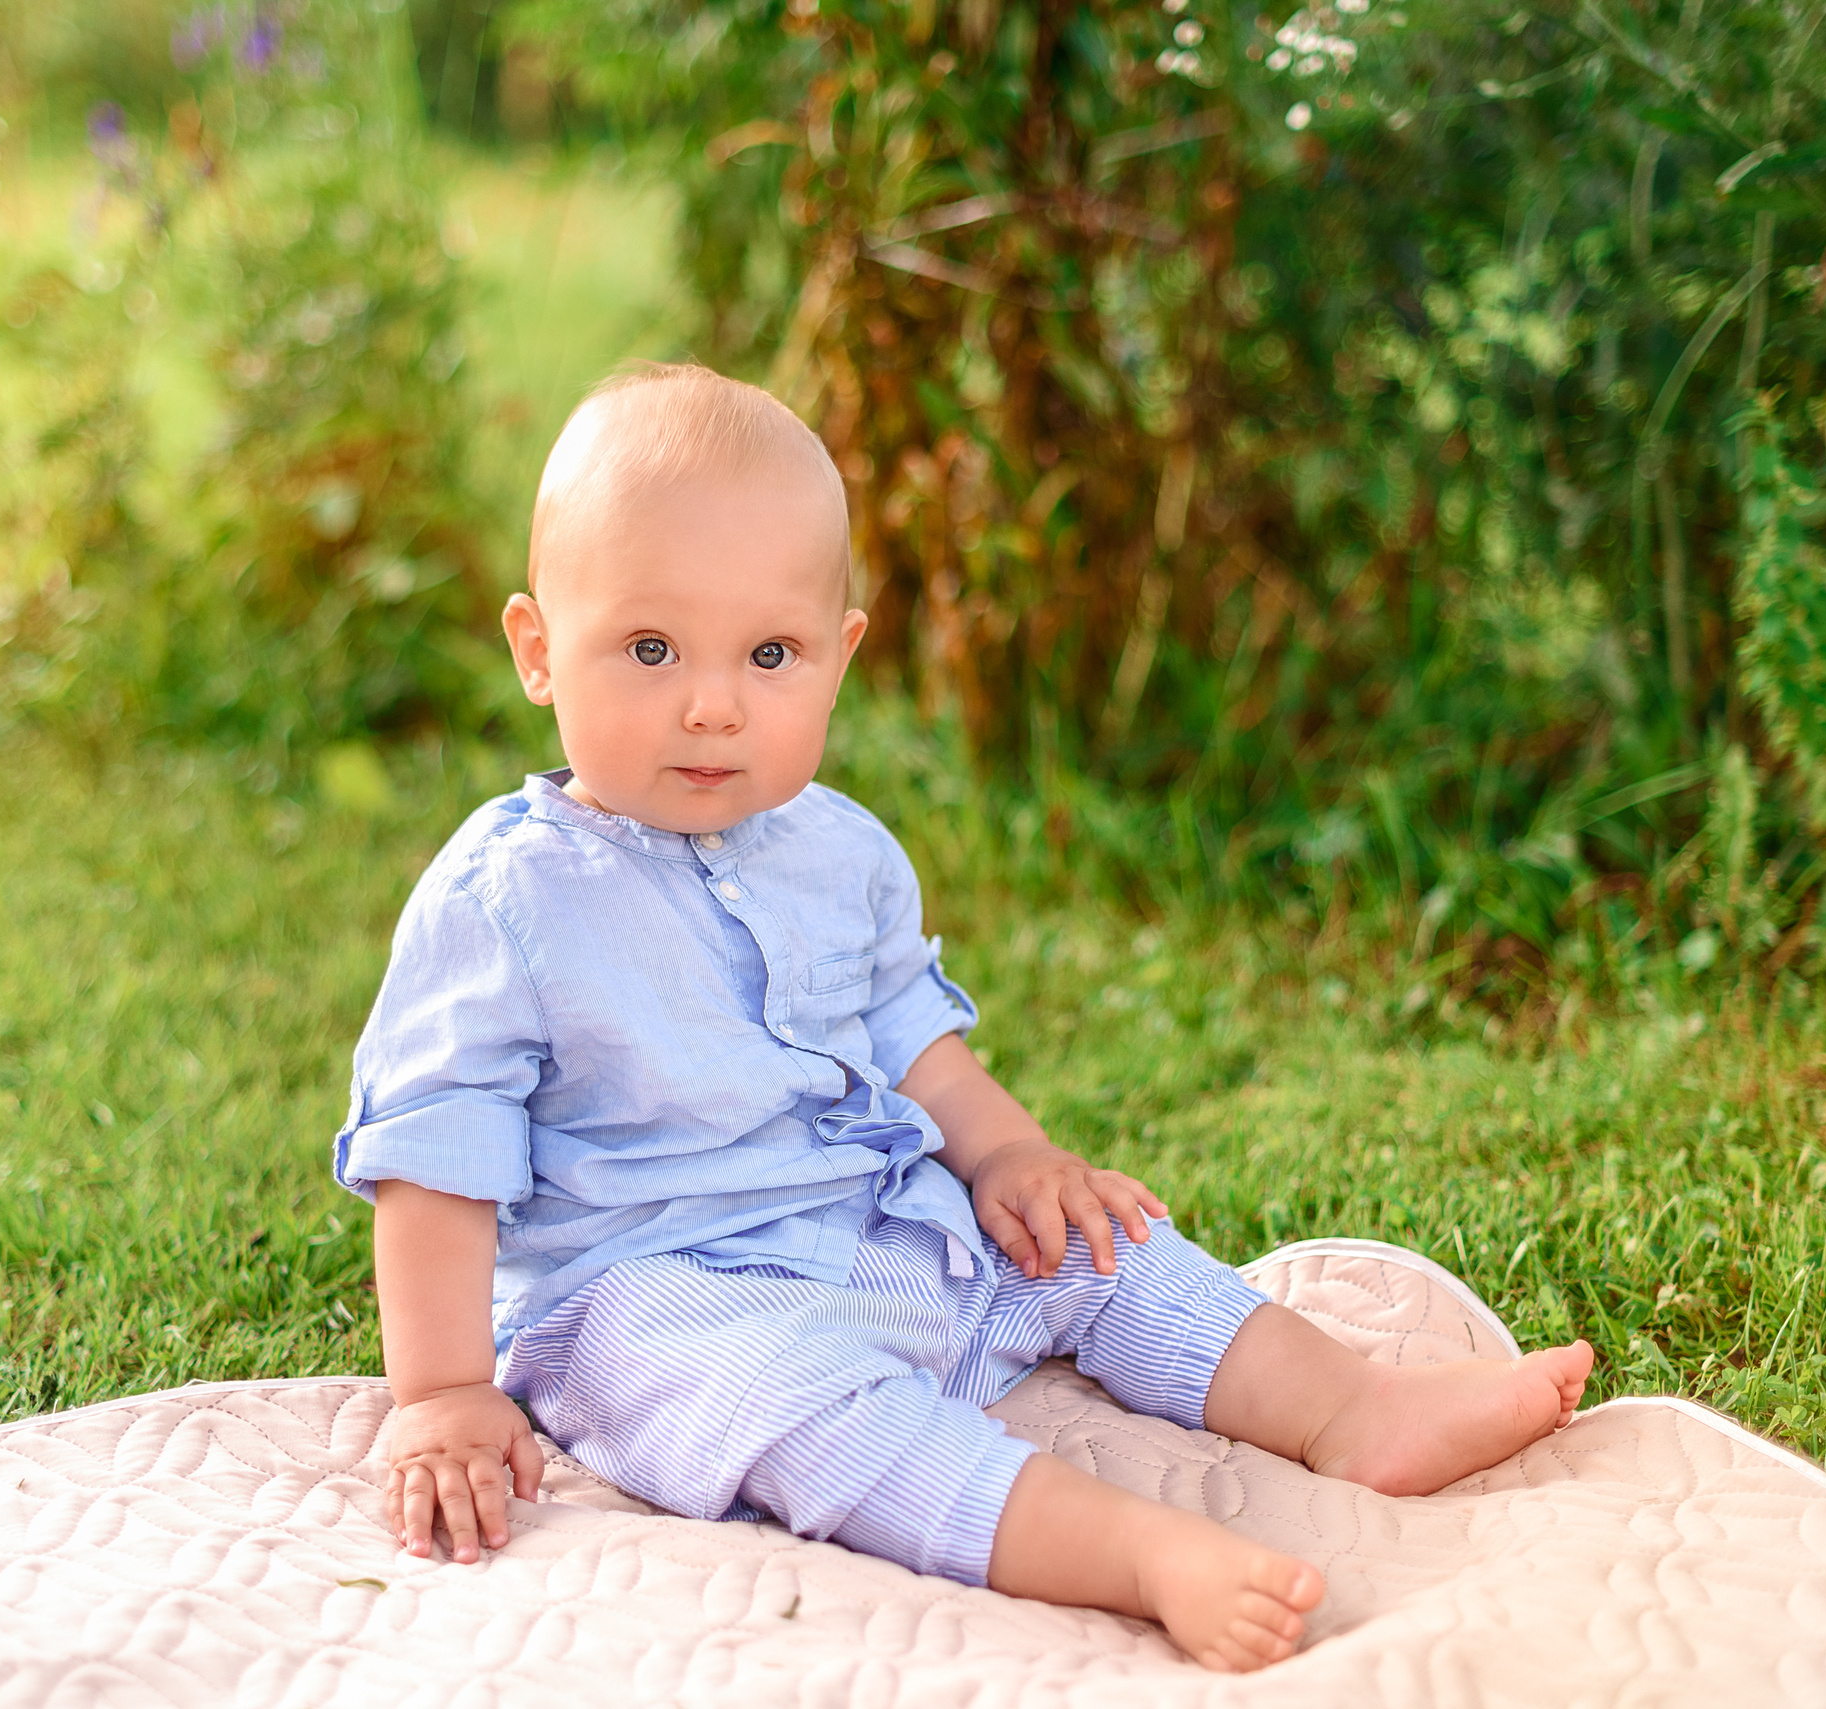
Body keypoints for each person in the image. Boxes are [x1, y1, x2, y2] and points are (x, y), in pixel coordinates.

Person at [333, 362, 1594, 1672]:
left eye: (771, 655)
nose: (714, 703)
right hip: (659, 1295)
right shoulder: (507, 897)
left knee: (1095, 1242)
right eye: (651, 649)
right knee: (808, 1415)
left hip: (872, 1224)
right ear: (538, 650)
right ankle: (1138, 1550)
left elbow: (911, 1041)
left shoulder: (842, 850)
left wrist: (1010, 1158)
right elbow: (438, 1154)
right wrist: (440, 1391)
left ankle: (1356, 1409)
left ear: (841, 654)